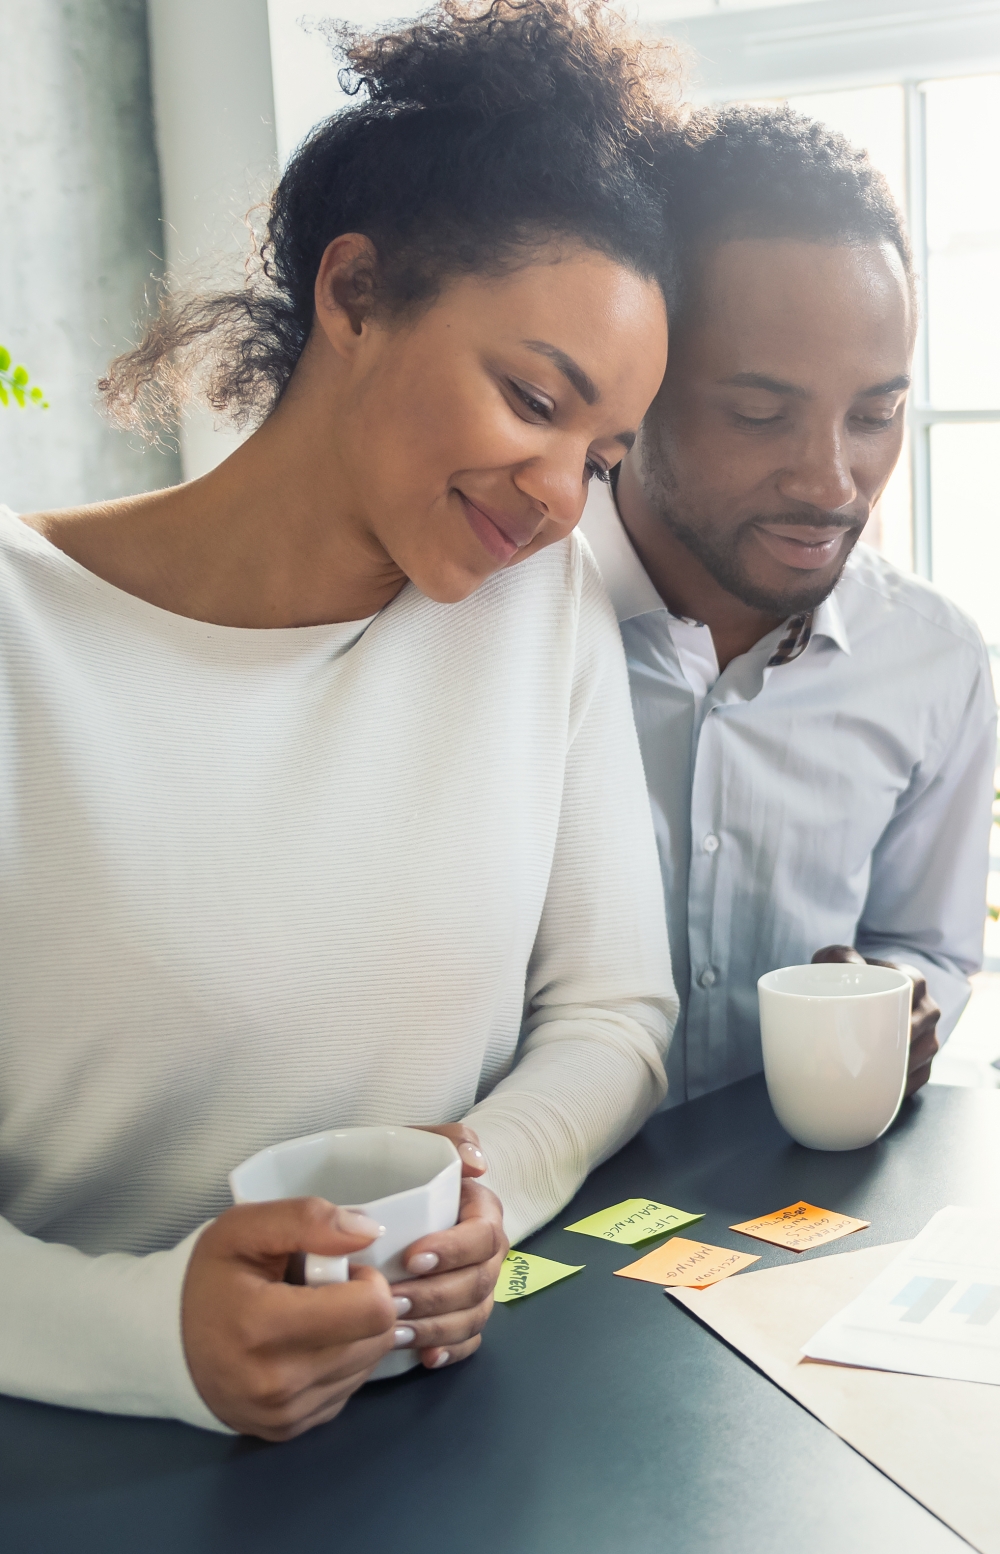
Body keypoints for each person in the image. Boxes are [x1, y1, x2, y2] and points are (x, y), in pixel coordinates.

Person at [0, 0, 679, 1441]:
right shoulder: (22, 642)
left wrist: (478, 1179)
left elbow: (618, 1015)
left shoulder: (533, 613)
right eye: (531, 397)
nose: (563, 496)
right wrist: (148, 1332)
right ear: (355, 293)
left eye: (603, 454)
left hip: (433, 1436)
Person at [581, 104, 996, 1108]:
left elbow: (923, 943)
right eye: (759, 414)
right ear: (638, 380)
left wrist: (898, 1001)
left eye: (875, 415)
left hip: (794, 1219)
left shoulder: (936, 662)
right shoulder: (493, 623)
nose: (831, 483)